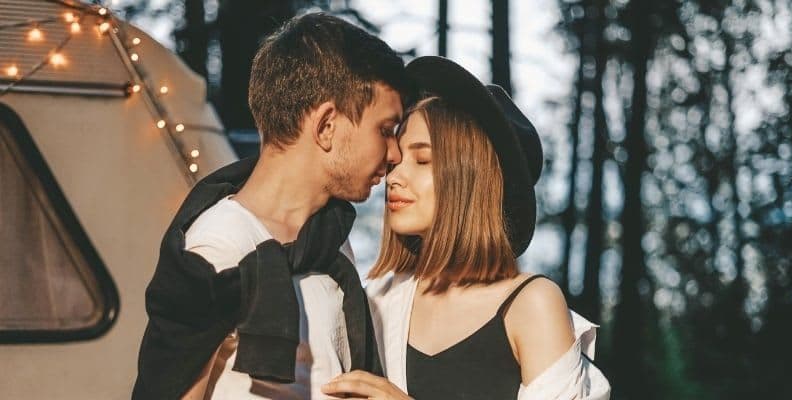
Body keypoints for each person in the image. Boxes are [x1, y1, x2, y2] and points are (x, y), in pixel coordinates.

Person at [132, 13, 410, 399]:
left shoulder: (329, 240)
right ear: (327, 126)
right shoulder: (220, 246)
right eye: (385, 130)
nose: (394, 153)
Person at [321, 56, 610, 399]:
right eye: (395, 162)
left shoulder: (532, 304)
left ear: (471, 178)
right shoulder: (376, 303)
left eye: (423, 160)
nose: (394, 177)